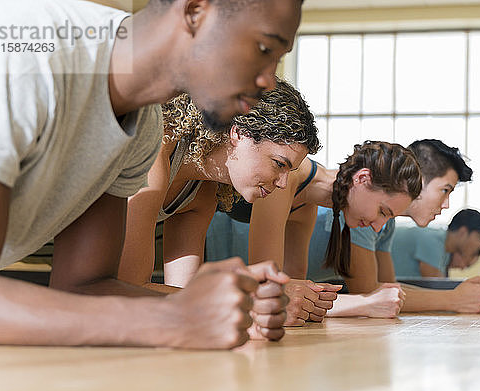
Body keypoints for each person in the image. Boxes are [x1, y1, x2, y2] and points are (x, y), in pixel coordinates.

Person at [0, 0, 302, 349]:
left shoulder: (143, 126)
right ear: (196, 11)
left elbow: (85, 288)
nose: (268, 80)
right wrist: (171, 319)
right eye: (264, 48)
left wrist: (221, 306)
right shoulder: (24, 55)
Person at [117, 79, 340, 329]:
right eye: (279, 164)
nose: (282, 183)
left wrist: (258, 302)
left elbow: (182, 294)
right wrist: (249, 301)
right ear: (238, 133)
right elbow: (128, 291)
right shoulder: (155, 149)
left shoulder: (202, 192)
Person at [207, 141, 423, 319]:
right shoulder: (288, 176)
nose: (378, 226)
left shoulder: (307, 201)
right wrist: (364, 304)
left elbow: (292, 291)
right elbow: (267, 290)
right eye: (383, 212)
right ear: (362, 178)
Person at [306, 139, 480, 314]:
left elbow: (388, 287)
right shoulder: (363, 211)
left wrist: (455, 296)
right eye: (444, 190)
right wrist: (453, 299)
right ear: (418, 181)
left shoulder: (384, 223)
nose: (446, 205)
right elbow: (369, 292)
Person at [391, 208, 480, 279]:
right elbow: (438, 290)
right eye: (479, 237)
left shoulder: (445, 252)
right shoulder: (432, 242)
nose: (479, 245)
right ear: (463, 232)